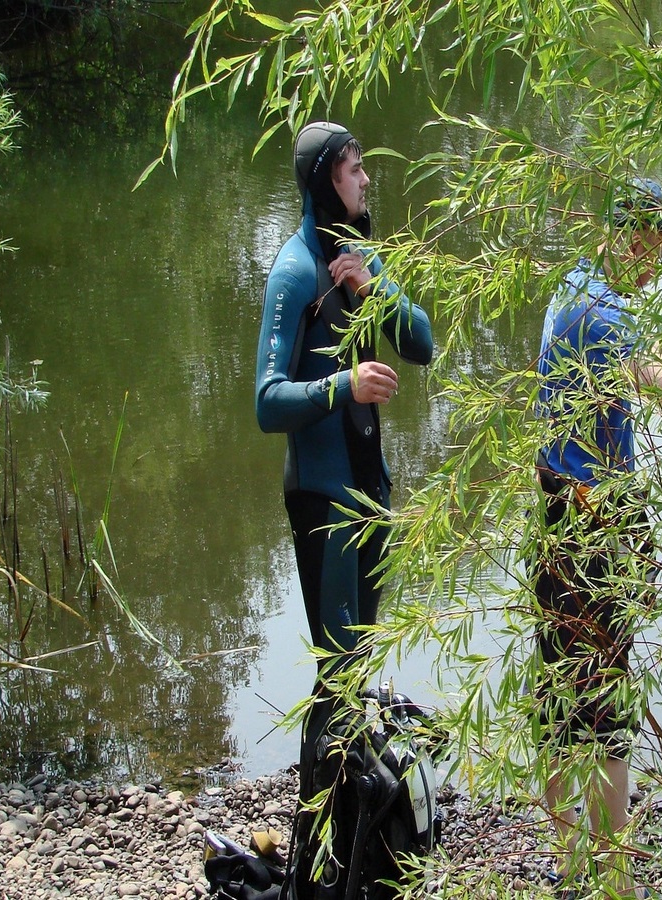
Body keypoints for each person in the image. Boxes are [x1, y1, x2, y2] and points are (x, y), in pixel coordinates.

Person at [532, 177, 662, 899]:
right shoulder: (605, 310)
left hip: (558, 513)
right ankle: (614, 875)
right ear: (634, 235)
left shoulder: (577, 287)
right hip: (594, 530)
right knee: (608, 702)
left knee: (564, 693)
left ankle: (571, 870)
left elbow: (659, 344)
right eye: (660, 243)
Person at [254, 120, 433, 795]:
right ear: (326, 178)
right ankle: (319, 844)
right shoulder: (294, 272)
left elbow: (422, 344)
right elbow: (267, 404)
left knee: (358, 660)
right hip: (324, 498)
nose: (365, 179)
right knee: (336, 674)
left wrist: (372, 289)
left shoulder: (360, 261)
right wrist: (341, 385)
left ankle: (357, 829)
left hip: (370, 489)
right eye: (355, 169)